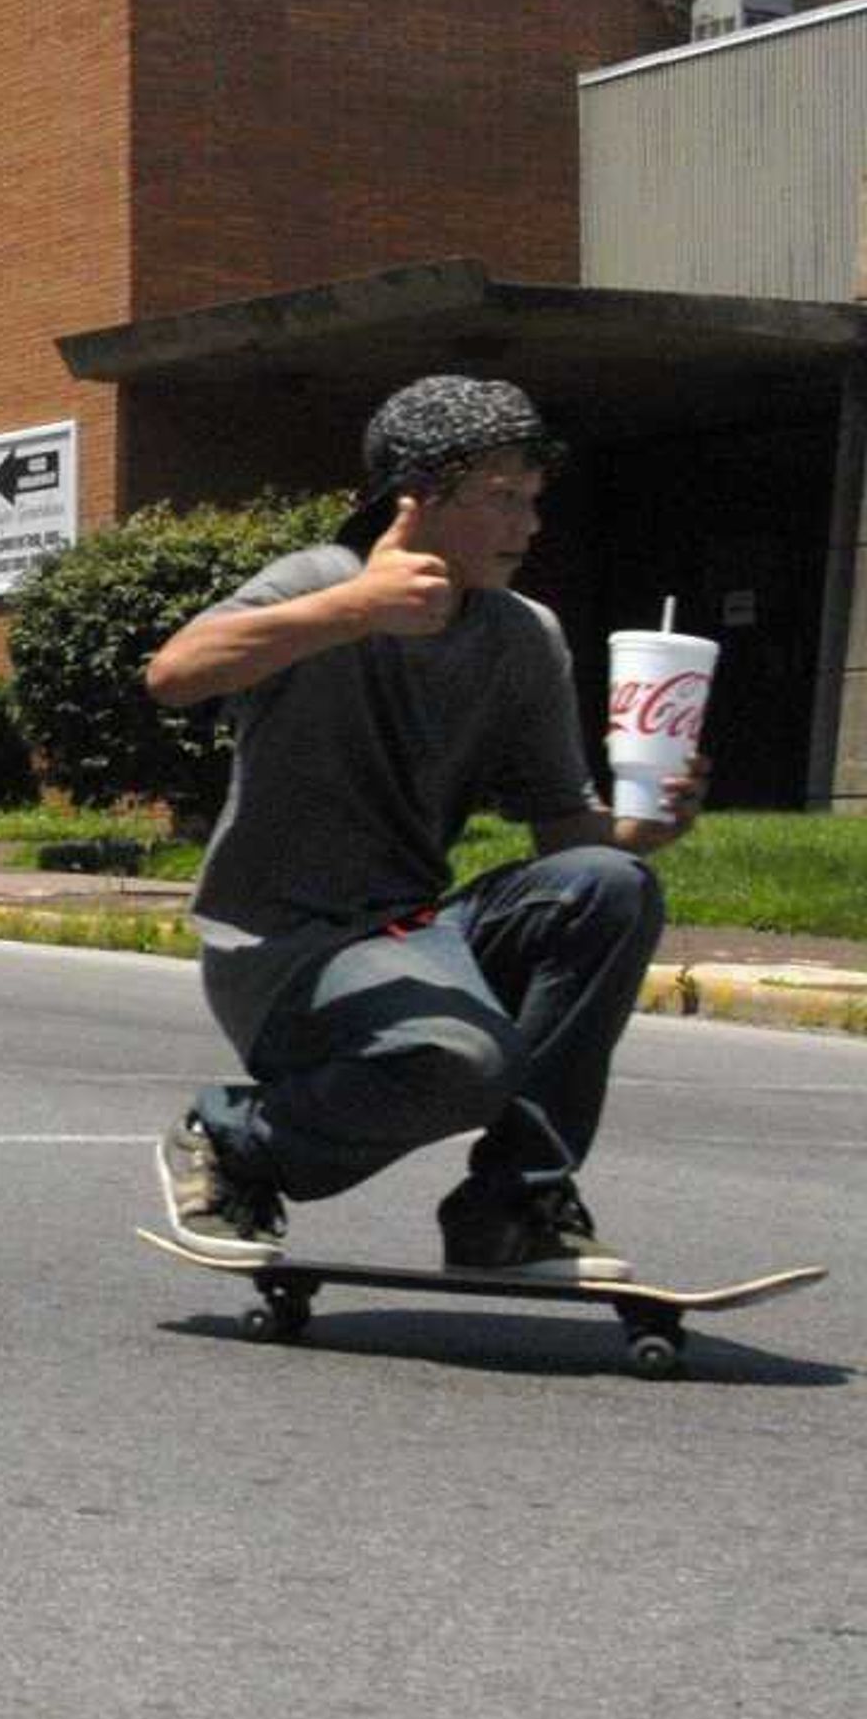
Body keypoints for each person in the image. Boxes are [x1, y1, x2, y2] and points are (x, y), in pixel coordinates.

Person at [148, 376, 705, 1281]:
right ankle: (237, 1144)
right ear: (417, 498)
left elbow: (563, 831)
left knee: (610, 888)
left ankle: (513, 1207)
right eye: (499, 499)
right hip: (284, 948)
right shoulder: (323, 583)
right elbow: (174, 674)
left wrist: (642, 828)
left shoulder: (524, 638)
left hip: (413, 928)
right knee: (462, 1059)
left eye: (533, 500)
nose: (528, 525)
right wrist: (352, 612)